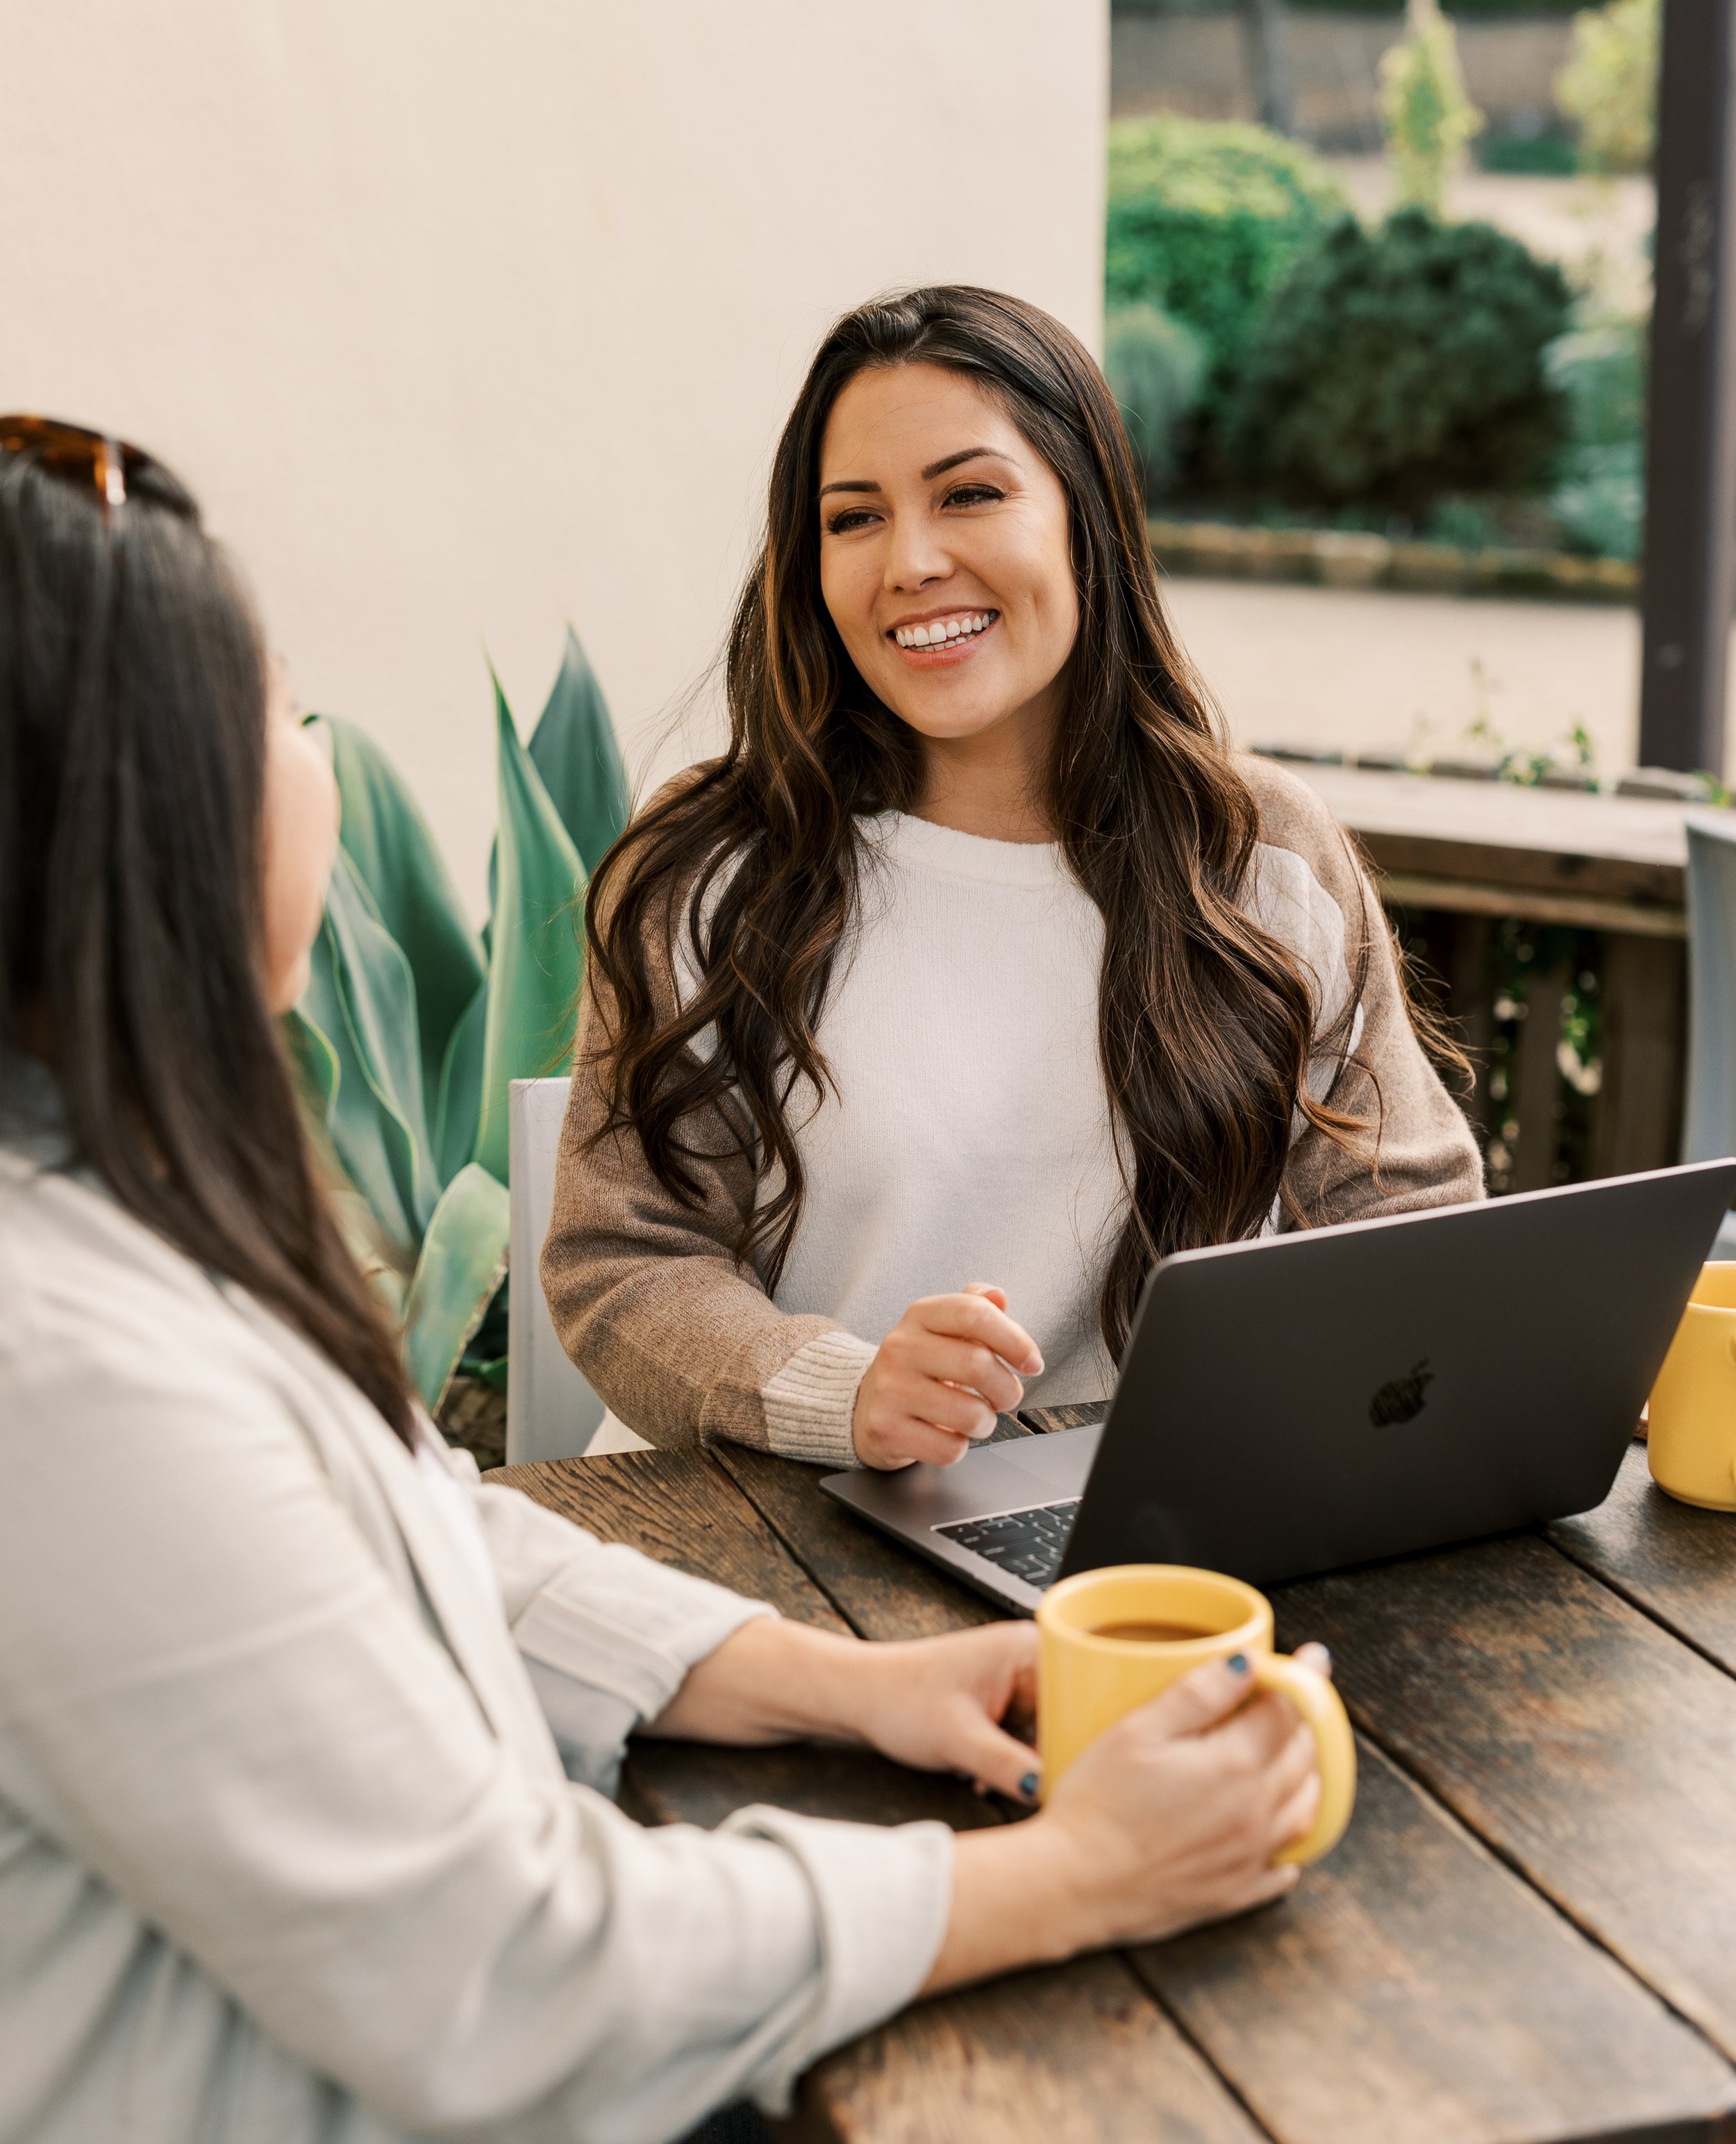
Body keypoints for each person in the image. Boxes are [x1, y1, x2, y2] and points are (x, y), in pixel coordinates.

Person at [0, 414, 1328, 2144]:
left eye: (970, 493)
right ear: (135, 821)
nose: (313, 750)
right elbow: (512, 1973)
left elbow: (408, 1542)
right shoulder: (66, 1377)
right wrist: (1073, 1873)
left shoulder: (123, 1228)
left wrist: (836, 1682)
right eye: (268, 703)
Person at [544, 286, 1482, 1471]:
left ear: (1086, 516)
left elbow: (1407, 1221)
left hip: (1135, 1527)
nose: (912, 561)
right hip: (759, 1527)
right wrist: (843, 1390)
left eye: (970, 493)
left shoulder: (1262, 855)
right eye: (854, 518)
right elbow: (616, 1260)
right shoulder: (714, 865)